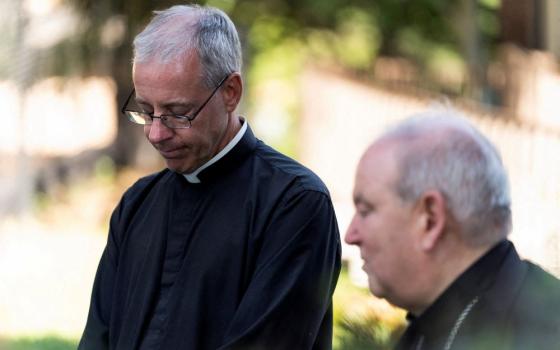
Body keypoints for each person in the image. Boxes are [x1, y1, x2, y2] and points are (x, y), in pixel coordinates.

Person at [79, 5, 341, 350]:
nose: (156, 133)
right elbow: (98, 338)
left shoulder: (294, 203)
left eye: (177, 113)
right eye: (146, 111)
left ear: (230, 92)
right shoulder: (137, 204)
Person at [344, 110, 560, 350]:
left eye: (365, 211)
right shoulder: (433, 322)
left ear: (430, 219)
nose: (351, 235)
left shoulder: (545, 334)